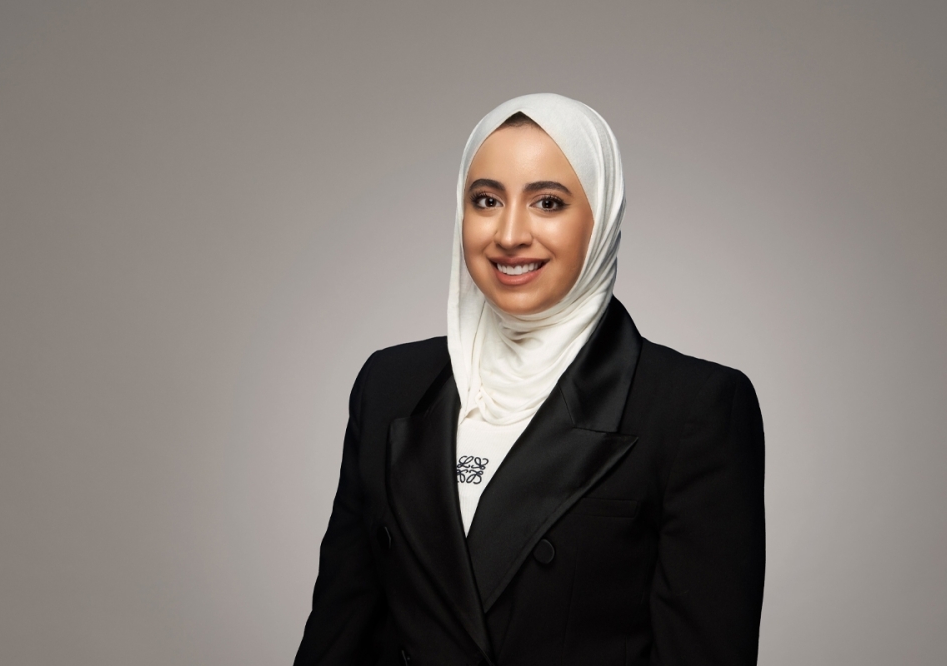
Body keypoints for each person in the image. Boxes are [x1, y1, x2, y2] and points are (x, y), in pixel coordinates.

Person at [294, 93, 765, 666]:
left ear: (601, 218)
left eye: (548, 202)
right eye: (486, 200)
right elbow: (337, 634)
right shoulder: (390, 384)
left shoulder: (693, 407)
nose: (510, 234)